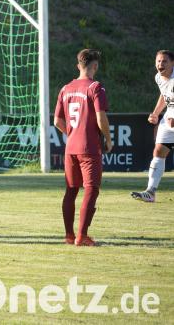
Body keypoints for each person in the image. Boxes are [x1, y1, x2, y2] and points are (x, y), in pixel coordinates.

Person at [53, 49, 113, 246]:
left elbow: (57, 121)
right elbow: (100, 117)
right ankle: (82, 236)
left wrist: (71, 133)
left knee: (71, 190)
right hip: (89, 147)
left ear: (78, 65)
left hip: (71, 147)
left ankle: (69, 235)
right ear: (94, 66)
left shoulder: (66, 88)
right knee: (91, 189)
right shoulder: (96, 87)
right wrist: (108, 138)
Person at [131, 50, 174, 202]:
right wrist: (156, 113)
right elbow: (164, 94)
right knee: (159, 151)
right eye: (158, 61)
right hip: (169, 117)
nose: (160, 64)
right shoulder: (158, 77)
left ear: (172, 63)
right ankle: (150, 192)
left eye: (164, 61)